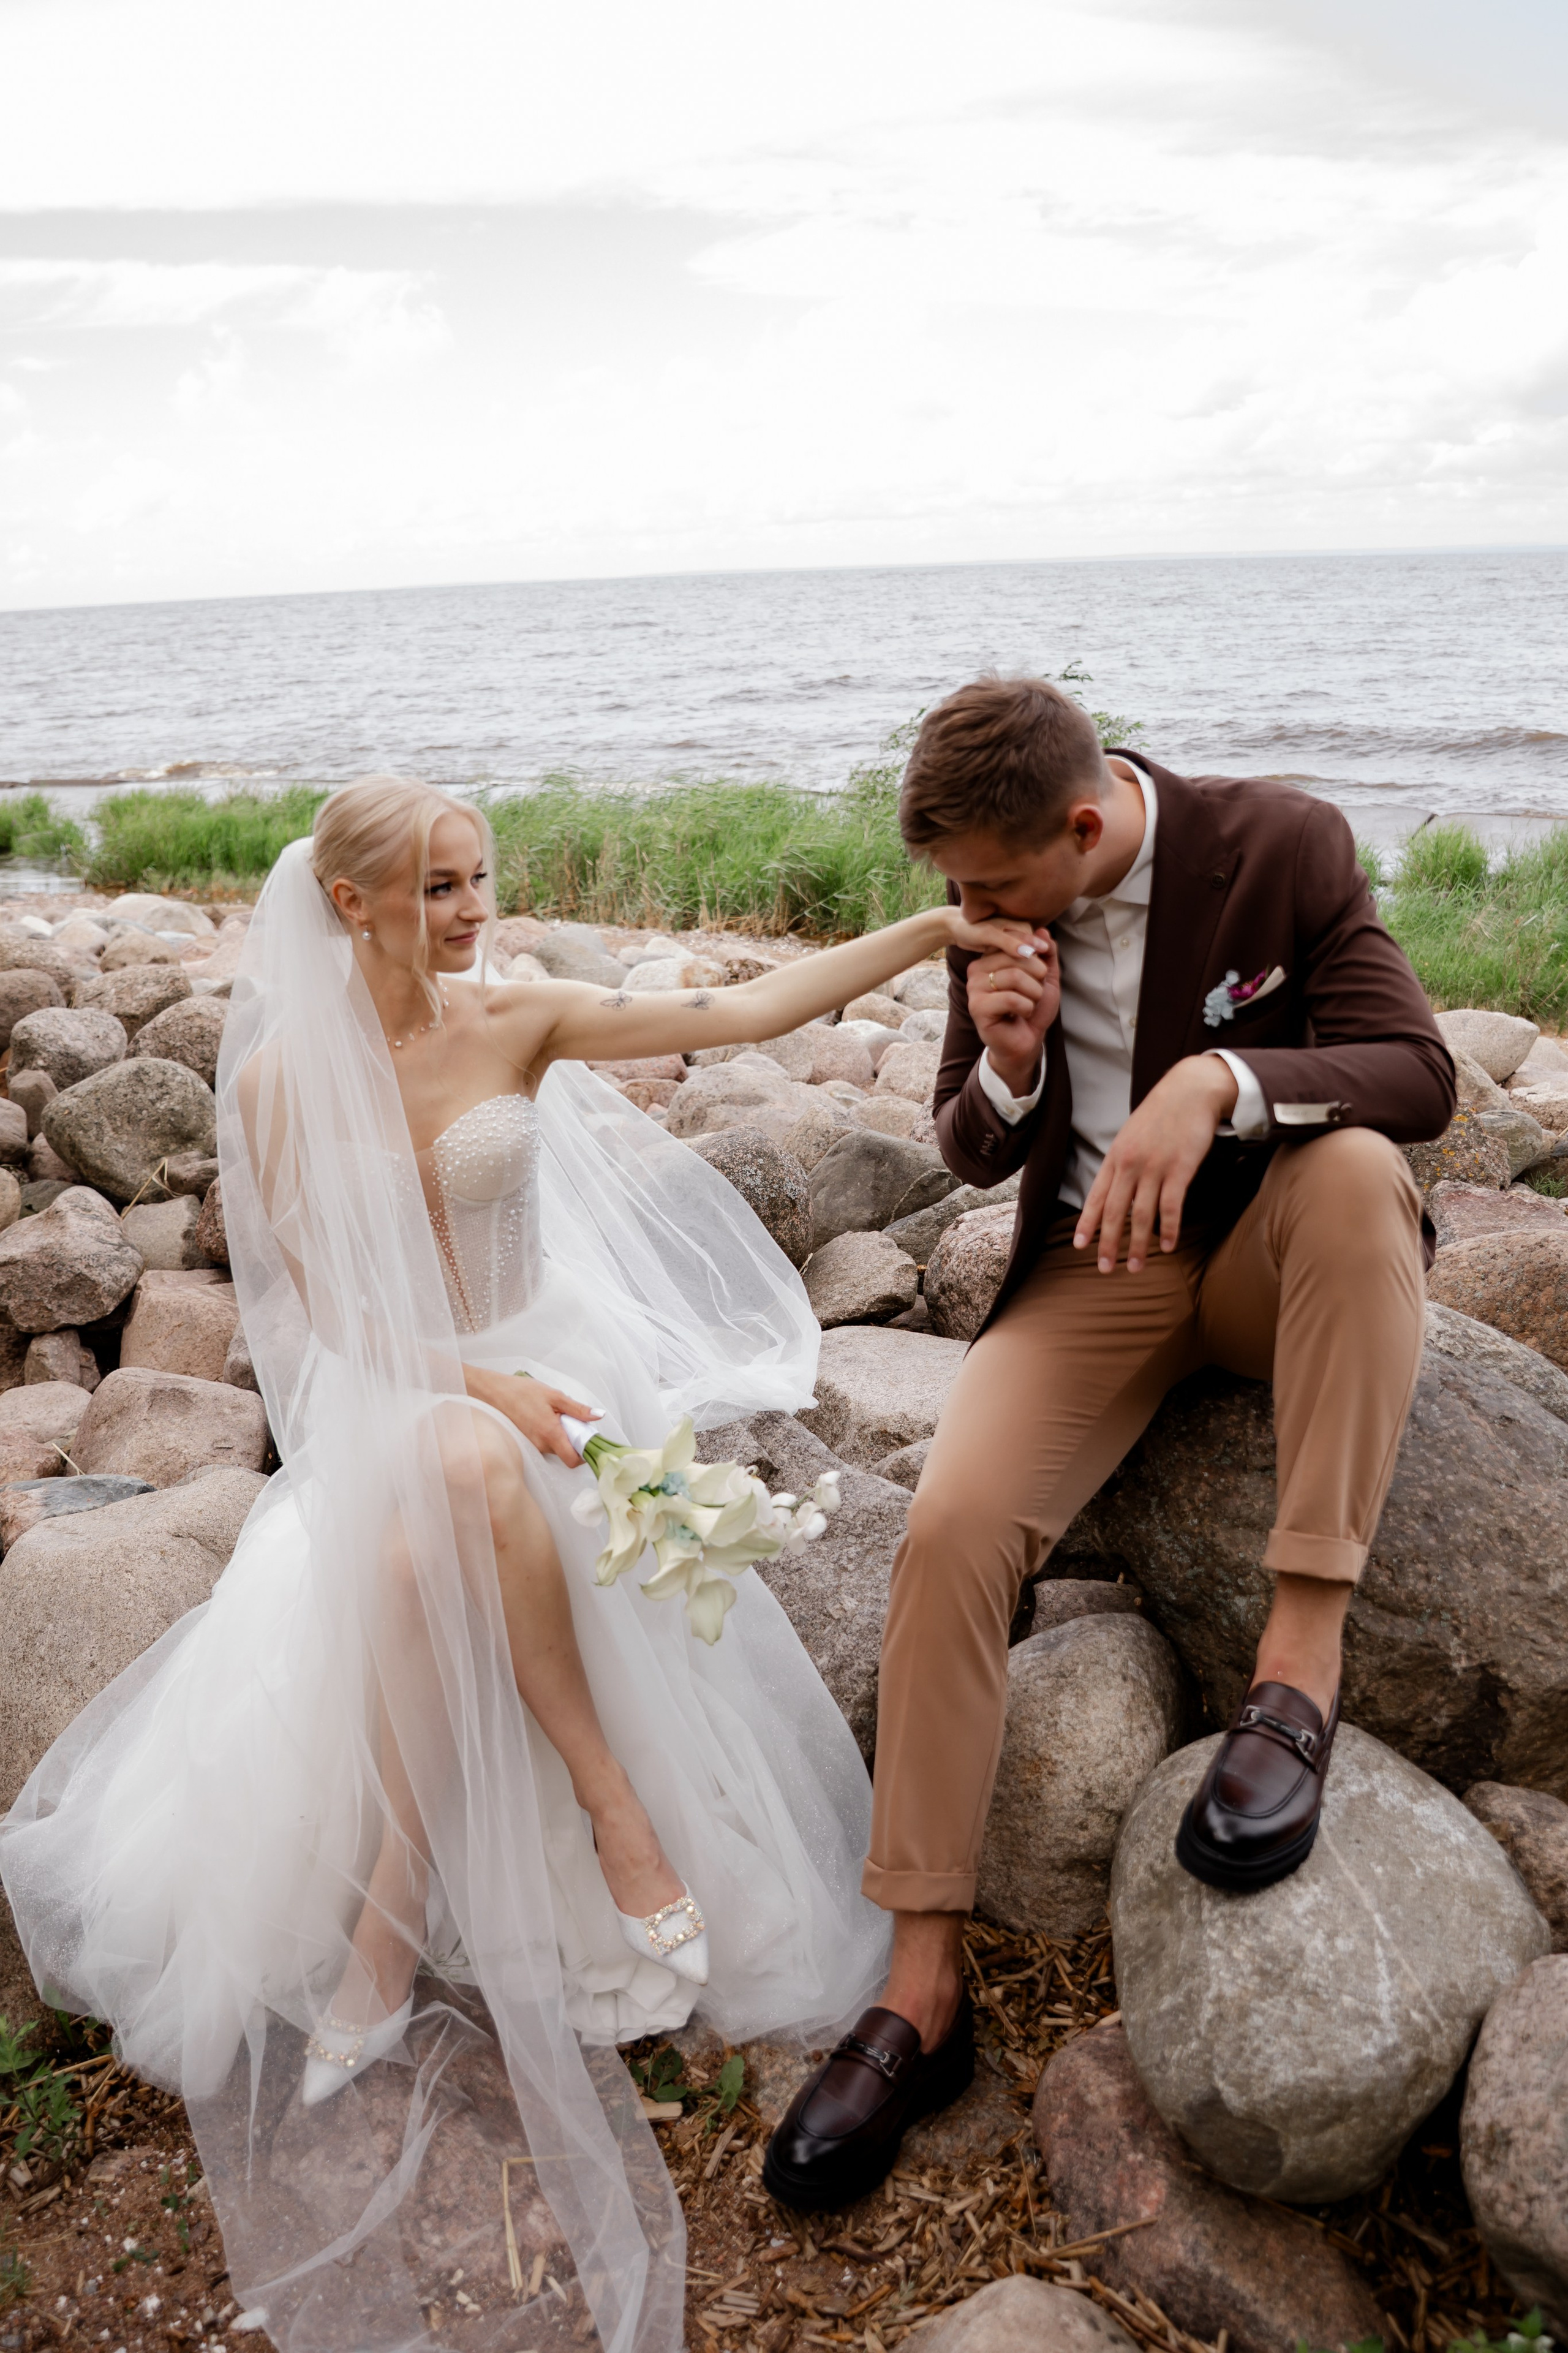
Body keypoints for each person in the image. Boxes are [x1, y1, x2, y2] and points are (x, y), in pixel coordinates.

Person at [0, 776, 1036, 2353]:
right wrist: (472, 1387)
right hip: (415, 1388)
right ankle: (606, 1803)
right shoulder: (279, 1080)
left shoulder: (519, 1016)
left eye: (479, 876)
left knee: (440, 1517)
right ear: (348, 903)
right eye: (438, 887)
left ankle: (395, 1908)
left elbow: (747, 1010)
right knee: (451, 1471)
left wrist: (924, 933)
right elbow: (326, 1316)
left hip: (553, 1369)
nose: (474, 910)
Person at [762, 674, 1457, 2211]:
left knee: (1358, 1176)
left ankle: (1296, 1668)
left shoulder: (1279, 846)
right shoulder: (991, 908)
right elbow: (966, 1143)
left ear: (1083, 827)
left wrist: (1218, 1081)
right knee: (950, 1528)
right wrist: (1007, 1062)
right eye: (955, 892)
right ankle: (920, 1983)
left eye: (990, 887)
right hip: (1097, 1272)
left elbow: (1419, 1074)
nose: (968, 913)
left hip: (1273, 1246)